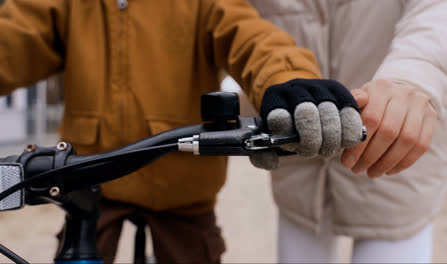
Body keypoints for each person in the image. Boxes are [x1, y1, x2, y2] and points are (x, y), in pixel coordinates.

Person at [0, 0, 365, 262]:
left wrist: (287, 79)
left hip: (183, 190)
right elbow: (13, 40)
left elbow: (252, 37)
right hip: (92, 180)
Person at [248, 0, 447, 262]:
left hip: (396, 162)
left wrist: (414, 72)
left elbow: (445, 8)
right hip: (298, 161)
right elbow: (240, 25)